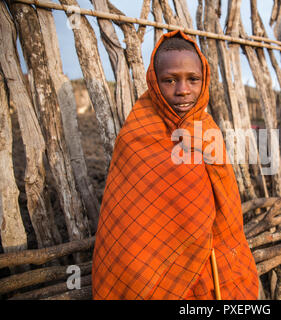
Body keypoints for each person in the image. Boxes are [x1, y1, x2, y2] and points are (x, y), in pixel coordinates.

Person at [91, 30, 259, 300]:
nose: (183, 90)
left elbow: (226, 209)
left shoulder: (207, 130)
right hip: (147, 268)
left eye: (193, 79)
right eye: (170, 80)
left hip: (207, 258)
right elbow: (127, 223)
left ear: (204, 81)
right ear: (154, 83)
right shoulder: (136, 135)